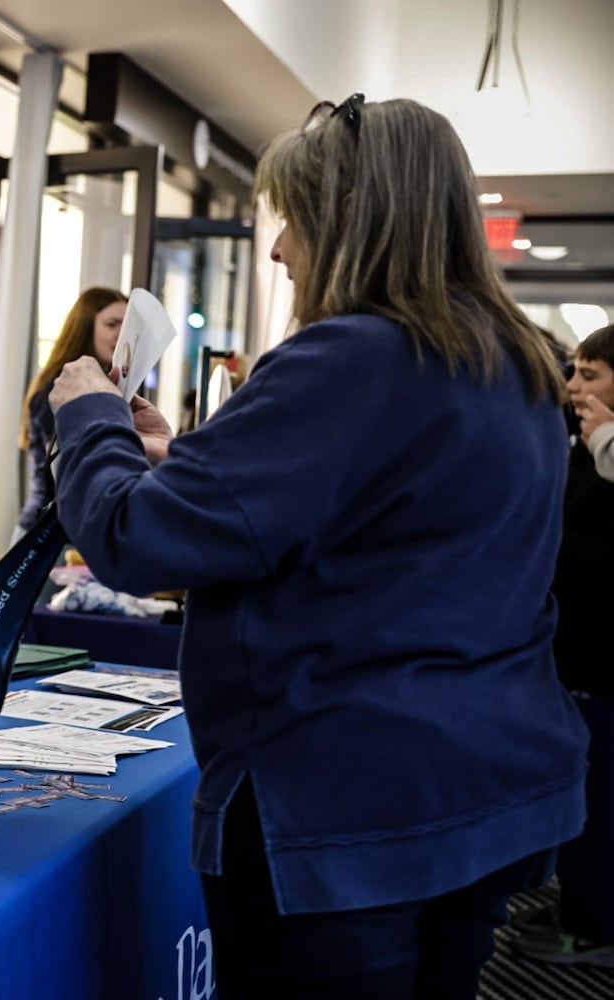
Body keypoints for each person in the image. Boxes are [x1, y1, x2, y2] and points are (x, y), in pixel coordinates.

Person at [49, 94, 588, 999]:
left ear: (346, 214)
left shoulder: (354, 357)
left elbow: (132, 539)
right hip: (485, 786)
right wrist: (190, 460)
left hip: (346, 808)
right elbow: (393, 521)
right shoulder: (513, 359)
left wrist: (89, 419)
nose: (277, 248)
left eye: (292, 218)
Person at [509, 323, 614, 968]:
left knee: (602, 805)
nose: (574, 387)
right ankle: (583, 905)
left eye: (591, 374)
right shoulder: (580, 447)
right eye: (573, 373)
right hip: (573, 655)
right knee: (583, 797)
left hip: (603, 663)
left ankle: (594, 926)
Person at [17, 287, 128, 532]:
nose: (121, 335)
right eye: (112, 324)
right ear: (85, 328)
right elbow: (69, 468)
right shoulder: (59, 388)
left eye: (127, 326)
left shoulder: (108, 387)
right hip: (45, 533)